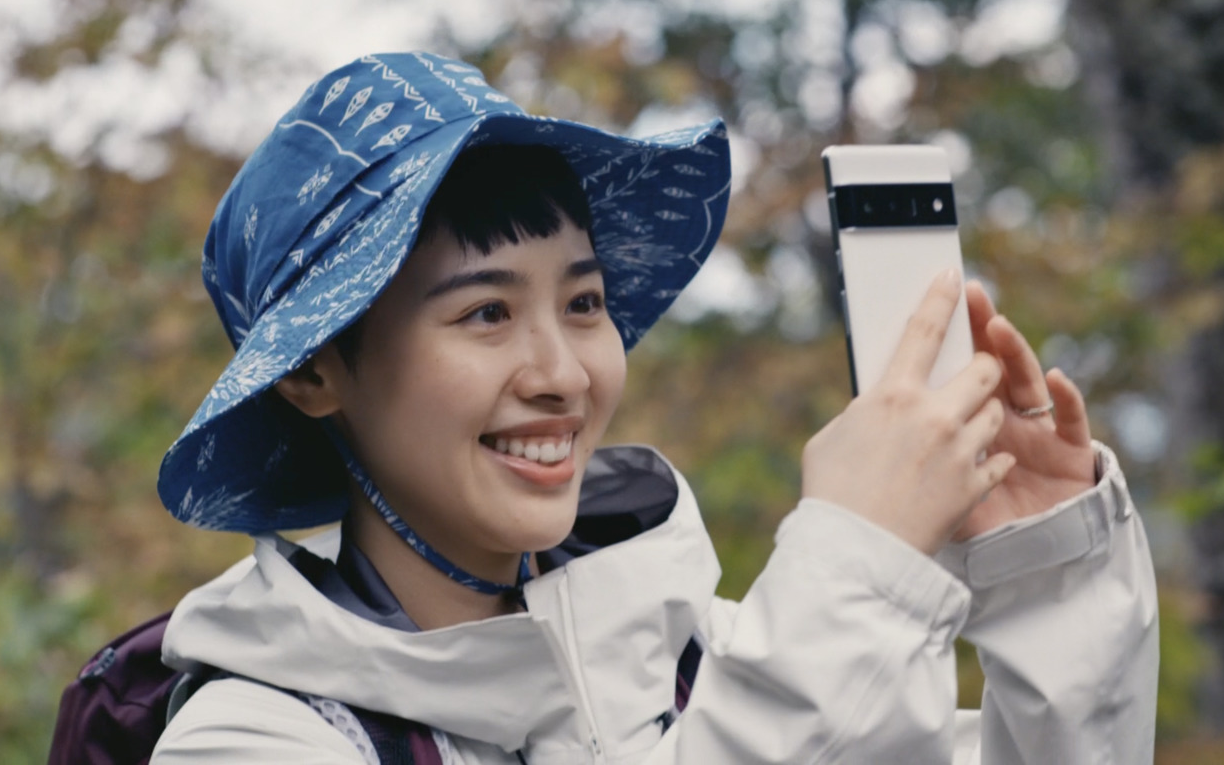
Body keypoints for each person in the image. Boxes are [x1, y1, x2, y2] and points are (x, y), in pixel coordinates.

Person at [149, 52, 1158, 764]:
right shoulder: (256, 733)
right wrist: (860, 561)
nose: (563, 370)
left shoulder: (697, 656)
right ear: (316, 372)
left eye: (583, 303)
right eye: (486, 311)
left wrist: (1047, 569)